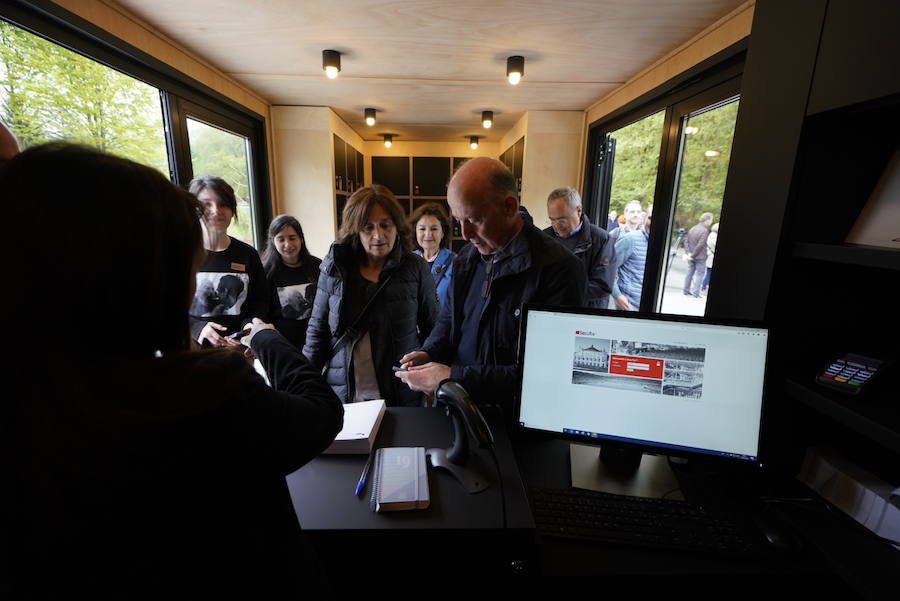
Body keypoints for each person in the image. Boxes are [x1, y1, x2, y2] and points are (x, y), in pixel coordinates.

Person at [5, 143, 343, 598]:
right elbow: (321, 413)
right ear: (144, 278)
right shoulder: (202, 394)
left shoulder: (36, 398)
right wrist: (267, 338)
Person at [396, 157, 586, 405]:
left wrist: (454, 376)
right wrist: (429, 352)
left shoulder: (560, 270)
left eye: (474, 220)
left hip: (518, 432)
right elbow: (450, 321)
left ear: (509, 207)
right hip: (463, 411)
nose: (465, 234)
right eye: (458, 221)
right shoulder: (466, 259)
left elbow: (546, 373)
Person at [303, 184, 440, 406]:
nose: (378, 235)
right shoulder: (336, 266)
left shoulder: (415, 267)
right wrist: (304, 387)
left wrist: (431, 379)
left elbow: (434, 330)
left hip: (401, 393)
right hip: (346, 392)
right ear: (355, 230)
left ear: (397, 225)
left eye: (385, 225)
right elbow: (317, 331)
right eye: (368, 227)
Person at [188, 175, 269, 346]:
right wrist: (198, 328)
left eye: (223, 204)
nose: (216, 210)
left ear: (232, 210)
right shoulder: (180, 254)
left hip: (239, 349)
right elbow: (165, 307)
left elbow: (260, 301)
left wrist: (249, 326)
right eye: (206, 204)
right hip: (194, 351)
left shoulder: (248, 254)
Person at [544, 186, 615, 308]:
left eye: (562, 220)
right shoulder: (544, 238)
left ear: (578, 211)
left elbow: (602, 286)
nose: (556, 226)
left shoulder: (601, 240)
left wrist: (559, 292)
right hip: (551, 313)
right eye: (552, 220)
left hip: (585, 315)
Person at [262, 214, 322, 349]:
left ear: (301, 239)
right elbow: (263, 312)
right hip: (283, 345)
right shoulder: (265, 272)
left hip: (316, 341)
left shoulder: (318, 266)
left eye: (292, 238)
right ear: (273, 241)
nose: (287, 244)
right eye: (281, 239)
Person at [410, 202, 457, 308]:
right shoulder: (406, 262)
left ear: (443, 232)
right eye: (422, 229)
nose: (428, 234)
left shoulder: (456, 263)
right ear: (415, 232)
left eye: (434, 229)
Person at [611, 205, 652, 311]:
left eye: (638, 211)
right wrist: (617, 295)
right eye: (651, 218)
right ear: (645, 218)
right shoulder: (629, 239)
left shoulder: (662, 246)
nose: (635, 214)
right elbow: (607, 267)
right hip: (629, 305)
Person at [683, 212, 714, 298]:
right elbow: (701, 244)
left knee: (690, 272)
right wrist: (692, 255)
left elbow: (686, 241)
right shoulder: (705, 230)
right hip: (700, 256)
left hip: (691, 255)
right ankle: (696, 293)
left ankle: (686, 290)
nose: (711, 221)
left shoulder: (693, 228)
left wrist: (689, 253)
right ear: (707, 220)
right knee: (700, 274)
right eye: (711, 219)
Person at [702, 221, 719, 293]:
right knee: (709, 273)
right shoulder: (714, 236)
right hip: (711, 256)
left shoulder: (711, 234)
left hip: (709, 255)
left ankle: (704, 287)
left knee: (708, 272)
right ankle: (704, 287)